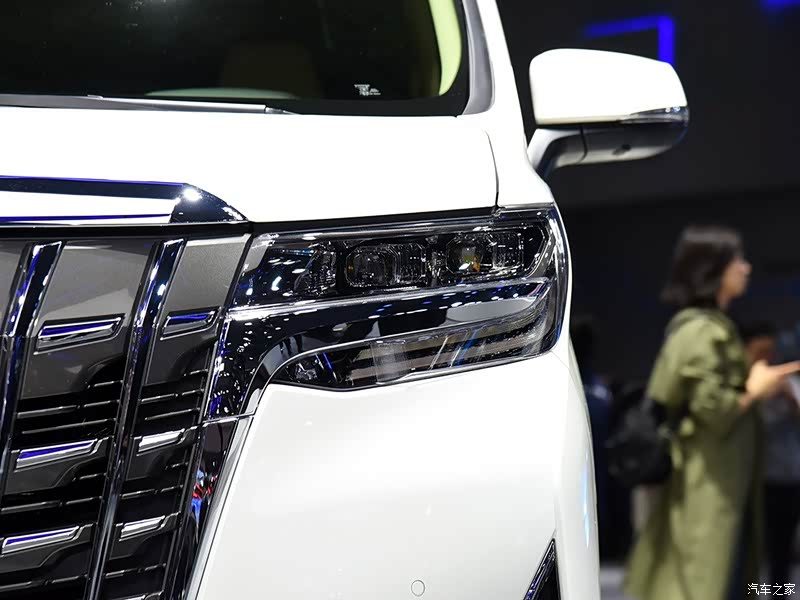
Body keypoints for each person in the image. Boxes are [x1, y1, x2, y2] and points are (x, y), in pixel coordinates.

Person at [624, 225, 800, 600]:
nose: (746, 268)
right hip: (710, 487)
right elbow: (715, 410)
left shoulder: (707, 328)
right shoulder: (703, 332)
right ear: (714, 270)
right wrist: (755, 388)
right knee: (707, 582)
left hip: (720, 483)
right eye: (738, 260)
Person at [739, 321, 800, 584]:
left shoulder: (788, 383)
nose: (767, 357)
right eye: (760, 352)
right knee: (748, 548)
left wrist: (787, 396)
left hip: (789, 476)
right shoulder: (745, 384)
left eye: (770, 351)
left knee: (781, 549)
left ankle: (778, 593)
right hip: (754, 477)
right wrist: (757, 394)